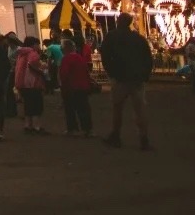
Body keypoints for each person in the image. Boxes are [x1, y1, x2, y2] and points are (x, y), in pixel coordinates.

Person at [100, 12, 154, 150]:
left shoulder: (111, 37)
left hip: (120, 78)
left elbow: (105, 56)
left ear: (119, 21)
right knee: (140, 109)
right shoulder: (138, 39)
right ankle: (144, 138)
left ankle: (116, 135)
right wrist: (144, 75)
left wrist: (112, 73)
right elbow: (148, 58)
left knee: (117, 108)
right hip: (137, 78)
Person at [59, 36, 95, 137]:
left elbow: (64, 75)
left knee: (70, 109)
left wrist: (63, 88)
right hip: (83, 87)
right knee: (84, 109)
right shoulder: (79, 57)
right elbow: (86, 72)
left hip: (71, 87)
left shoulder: (66, 59)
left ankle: (72, 129)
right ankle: (88, 129)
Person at [13, 35, 49, 134]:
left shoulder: (21, 54)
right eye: (37, 44)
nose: (38, 46)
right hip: (32, 83)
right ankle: (37, 126)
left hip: (21, 83)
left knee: (28, 106)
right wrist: (42, 69)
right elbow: (33, 64)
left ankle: (28, 125)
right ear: (33, 44)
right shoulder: (32, 53)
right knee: (36, 106)